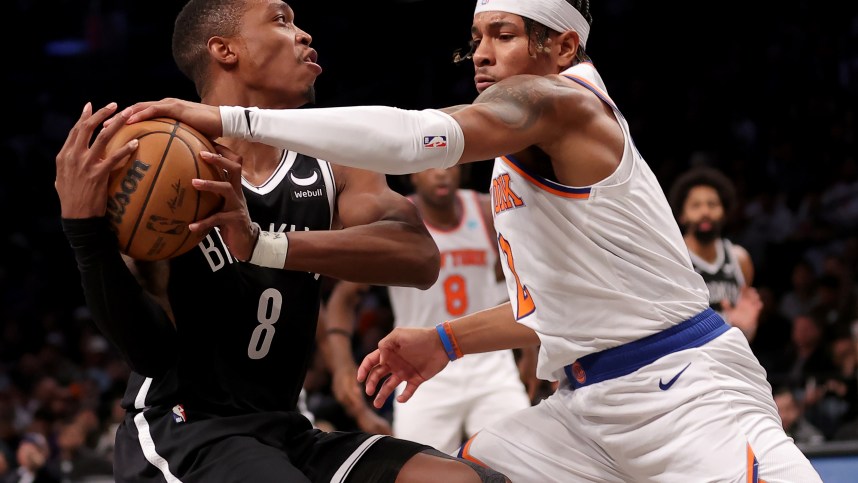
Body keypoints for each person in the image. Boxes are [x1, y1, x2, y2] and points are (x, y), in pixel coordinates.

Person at [122, 0, 824, 481]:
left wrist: (227, 117)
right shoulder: (517, 152)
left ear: (563, 46)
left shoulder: (560, 101)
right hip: (585, 407)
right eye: (476, 37)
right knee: (458, 473)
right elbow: (560, 307)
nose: (481, 54)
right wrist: (446, 340)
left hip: (688, 395)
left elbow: (411, 136)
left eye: (504, 36)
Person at [55, 0, 510, 482]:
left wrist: (262, 243)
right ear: (223, 50)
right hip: (187, 427)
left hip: (287, 427)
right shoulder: (161, 159)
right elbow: (148, 353)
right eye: (280, 20)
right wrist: (86, 235)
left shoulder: (332, 157)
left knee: (468, 480)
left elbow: (420, 260)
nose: (304, 34)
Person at [324, 166, 536, 454]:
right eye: (430, 166)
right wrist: (341, 365)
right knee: (417, 467)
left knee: (522, 462)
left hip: (490, 366)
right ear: (412, 174)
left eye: (449, 165)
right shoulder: (396, 220)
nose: (440, 174)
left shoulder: (486, 211)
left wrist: (530, 352)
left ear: (462, 171)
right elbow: (343, 298)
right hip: (419, 368)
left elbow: (517, 286)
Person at [668, 166, 763, 341]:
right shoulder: (673, 259)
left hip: (731, 357)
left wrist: (746, 329)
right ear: (682, 215)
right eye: (696, 205)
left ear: (724, 212)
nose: (705, 212)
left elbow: (745, 327)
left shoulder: (740, 258)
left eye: (712, 204)